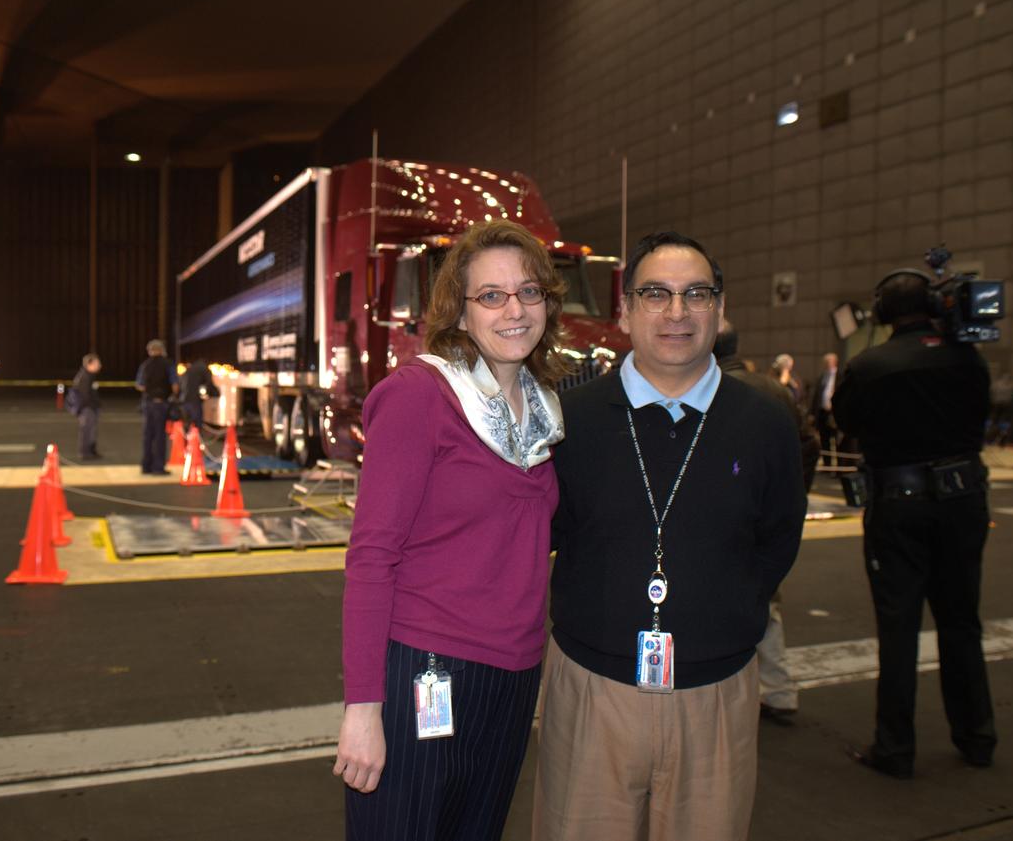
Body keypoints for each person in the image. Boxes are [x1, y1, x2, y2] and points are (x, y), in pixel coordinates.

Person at [534, 232, 806, 841]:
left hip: (716, 693)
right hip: (590, 690)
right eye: (655, 294)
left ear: (719, 308)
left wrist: (724, 606)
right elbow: (542, 536)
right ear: (625, 310)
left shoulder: (764, 422)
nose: (677, 312)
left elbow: (779, 535)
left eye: (696, 294)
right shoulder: (568, 422)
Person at [333, 219, 568, 841]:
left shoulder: (545, 407)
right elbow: (371, 557)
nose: (513, 309)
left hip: (514, 677)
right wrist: (363, 707)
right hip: (425, 673)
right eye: (491, 295)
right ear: (459, 313)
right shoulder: (419, 396)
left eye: (529, 291)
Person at [832, 269, 996, 780]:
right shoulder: (968, 358)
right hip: (964, 498)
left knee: (899, 627)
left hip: (899, 505)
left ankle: (896, 747)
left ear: (882, 312)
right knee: (962, 622)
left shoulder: (870, 365)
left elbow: (846, 422)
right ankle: (977, 738)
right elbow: (983, 414)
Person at [714, 322, 813, 723]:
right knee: (767, 602)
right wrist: (791, 495)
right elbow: (808, 444)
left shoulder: (711, 393)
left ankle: (740, 691)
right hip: (767, 516)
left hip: (728, 518)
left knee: (728, 604)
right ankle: (779, 689)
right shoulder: (775, 391)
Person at [134, 339, 178, 475]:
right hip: (161, 403)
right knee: (160, 436)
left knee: (148, 435)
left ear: (150, 351)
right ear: (162, 350)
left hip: (148, 403)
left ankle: (146, 466)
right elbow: (175, 385)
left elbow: (140, 385)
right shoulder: (168, 364)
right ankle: (158, 467)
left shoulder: (145, 365)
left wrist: (150, 390)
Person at [811, 352, 840, 469]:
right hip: (823, 412)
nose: (826, 364)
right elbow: (816, 395)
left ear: (834, 362)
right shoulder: (823, 376)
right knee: (824, 439)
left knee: (837, 440)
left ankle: (838, 467)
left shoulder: (840, 375)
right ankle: (827, 466)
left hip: (835, 413)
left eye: (828, 362)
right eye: (825, 362)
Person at [72, 353, 102, 461]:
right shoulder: (84, 377)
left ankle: (91, 451)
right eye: (97, 363)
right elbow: (85, 396)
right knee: (86, 431)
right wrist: (91, 406)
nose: (99, 366)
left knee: (91, 431)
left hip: (90, 408)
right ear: (90, 364)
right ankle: (85, 453)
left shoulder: (89, 376)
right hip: (87, 409)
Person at [179, 356, 213, 434]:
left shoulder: (189, 369)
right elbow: (209, 384)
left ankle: (186, 443)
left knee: (186, 424)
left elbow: (180, 384)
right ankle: (195, 443)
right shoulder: (205, 369)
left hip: (184, 400)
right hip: (195, 401)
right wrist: (211, 394)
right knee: (196, 426)